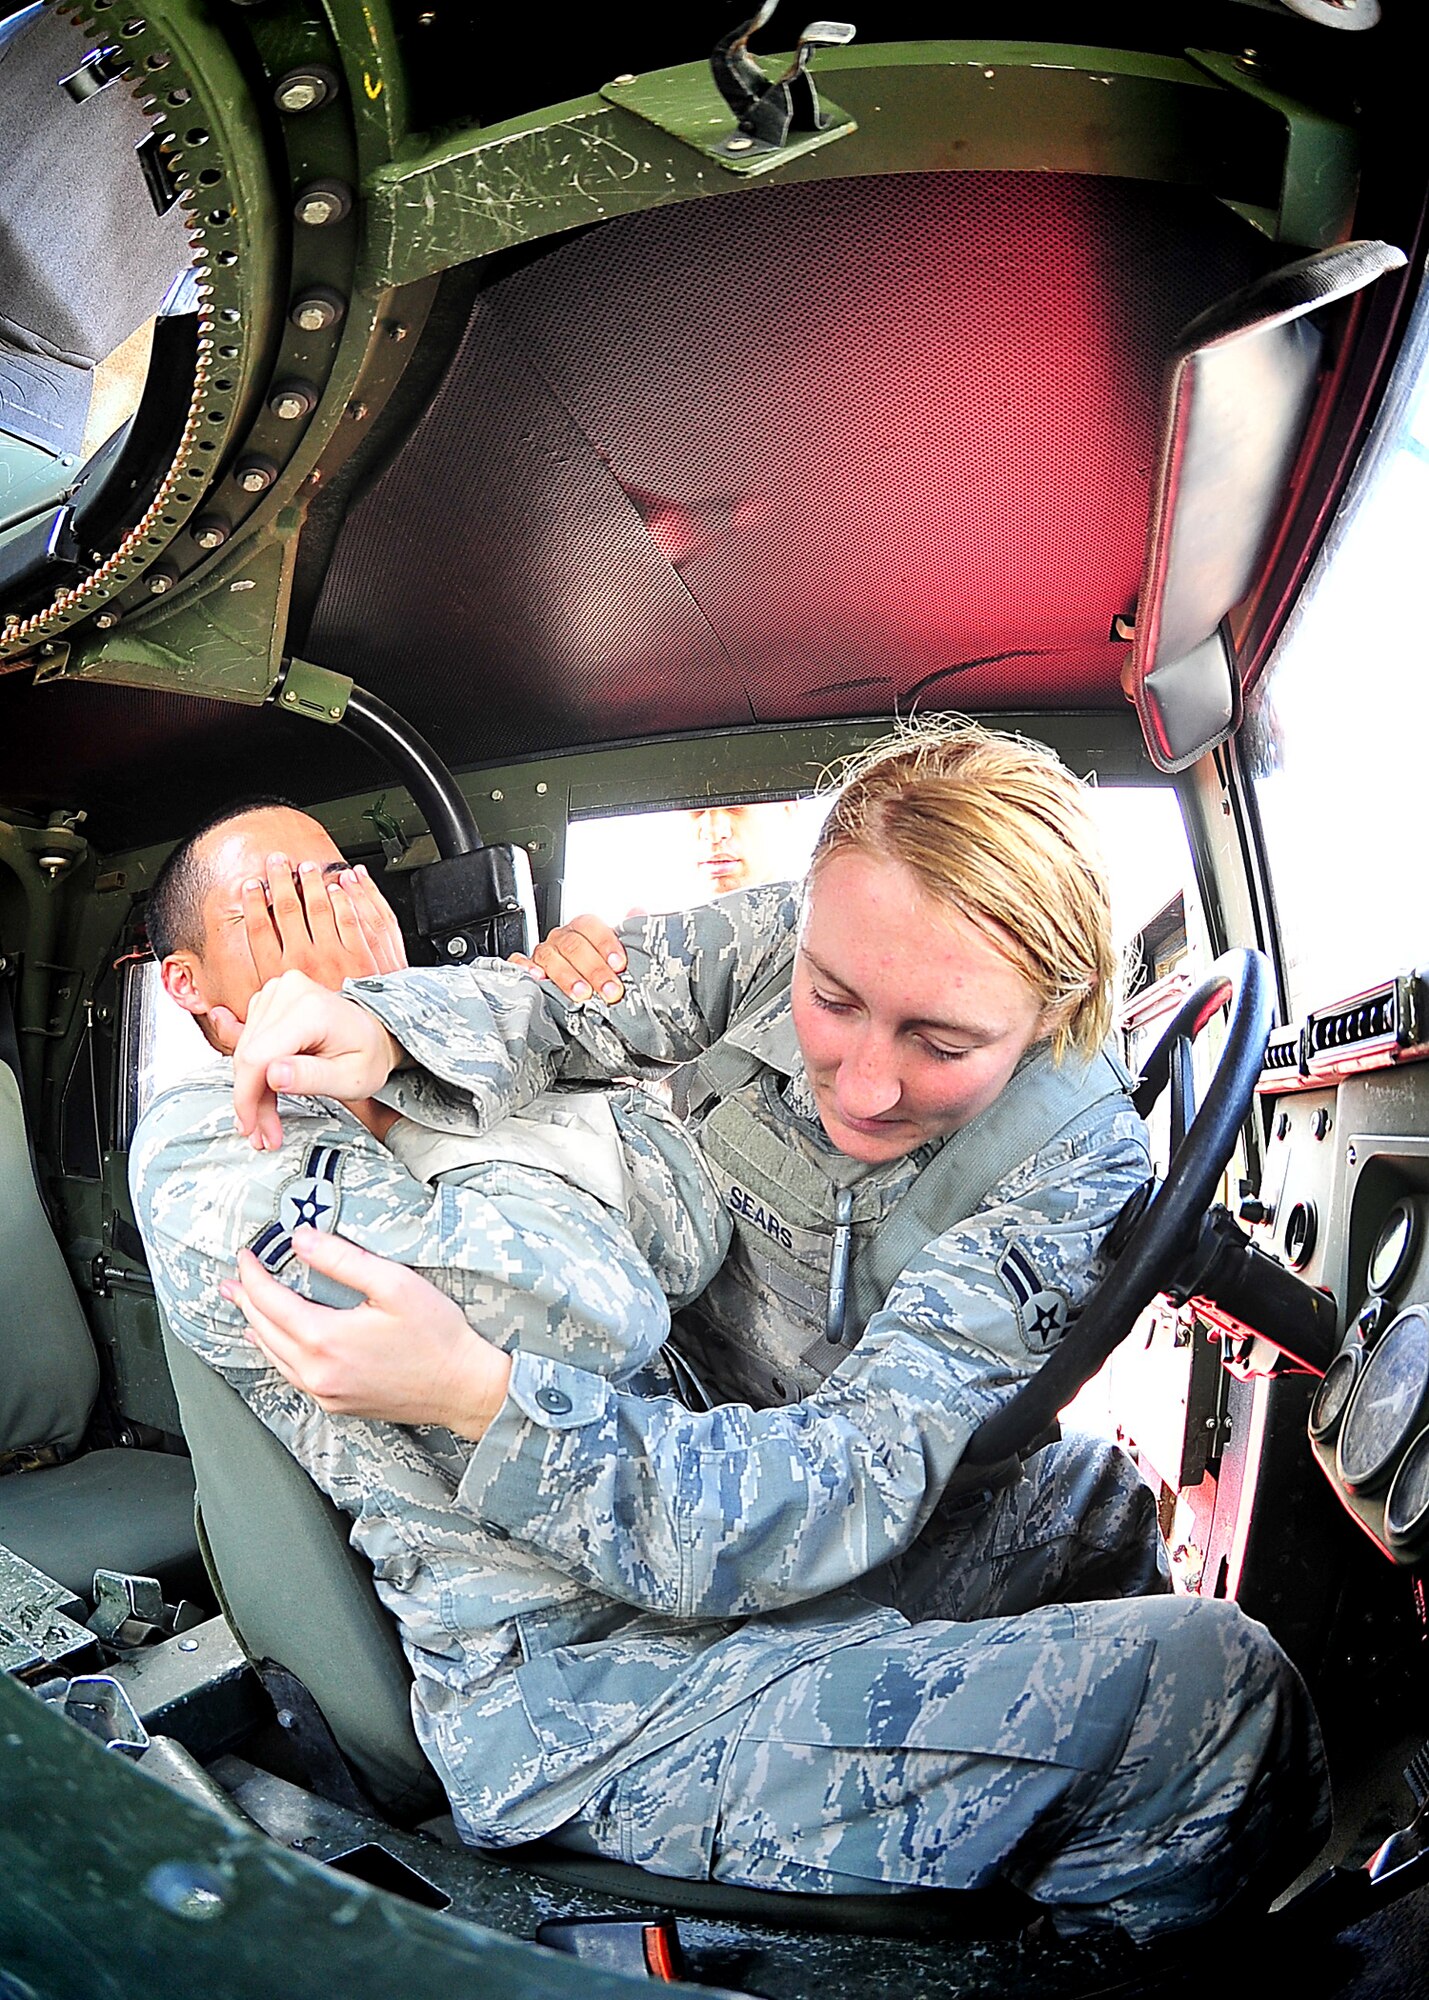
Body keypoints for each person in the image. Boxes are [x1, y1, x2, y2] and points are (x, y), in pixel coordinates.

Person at [209, 721, 1331, 1937]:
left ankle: (1033, 1879)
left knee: (1089, 1494)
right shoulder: (784, 933)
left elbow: (845, 1474)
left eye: (942, 1042)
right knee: (1217, 1697)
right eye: (832, 999)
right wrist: (392, 1029)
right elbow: (558, 1011)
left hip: (751, 1503)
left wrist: (487, 1403)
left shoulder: (1072, 1163)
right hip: (608, 1688)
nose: (861, 1084)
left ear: (1057, 1010)